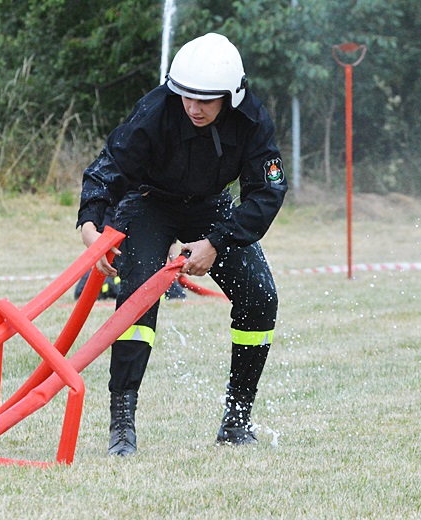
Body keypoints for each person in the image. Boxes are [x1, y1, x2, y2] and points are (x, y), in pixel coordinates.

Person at [77, 33, 288, 456]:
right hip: (148, 201)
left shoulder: (253, 121)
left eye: (205, 100)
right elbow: (109, 167)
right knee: (137, 297)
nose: (193, 107)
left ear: (230, 96)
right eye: (186, 97)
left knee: (261, 297)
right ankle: (122, 427)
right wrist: (90, 223)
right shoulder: (156, 109)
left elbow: (267, 194)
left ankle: (236, 420)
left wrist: (215, 242)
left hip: (211, 208)